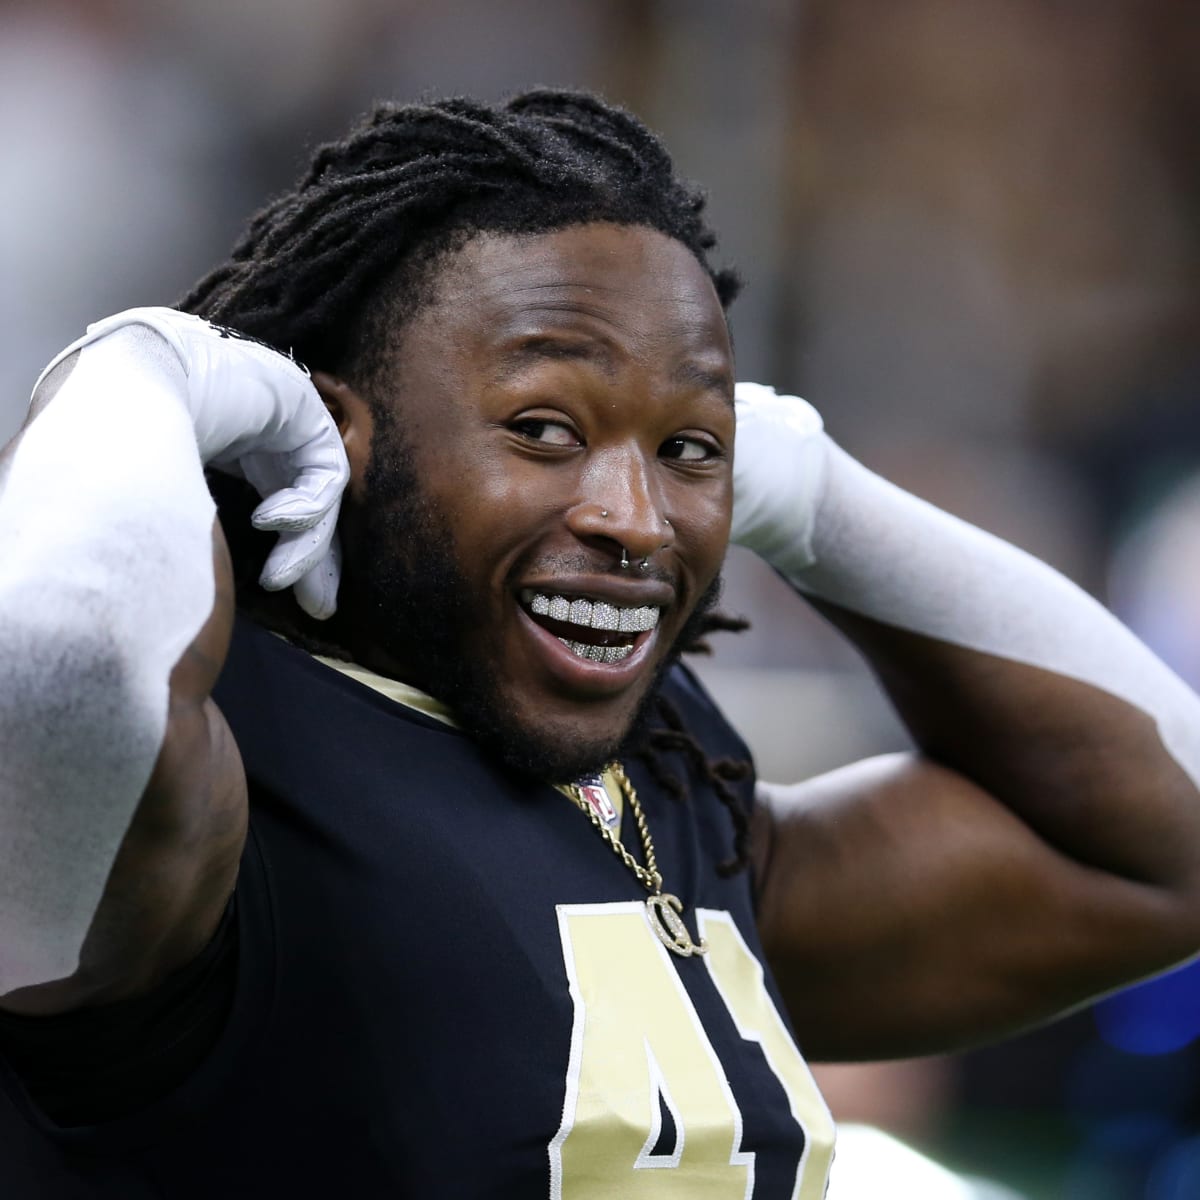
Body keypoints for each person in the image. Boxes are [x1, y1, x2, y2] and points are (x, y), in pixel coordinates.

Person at [1, 90, 1198, 1199]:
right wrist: (137, 368)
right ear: (340, 432)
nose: (634, 517)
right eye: (543, 429)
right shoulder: (230, 768)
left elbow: (1165, 848)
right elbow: (61, 656)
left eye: (688, 452)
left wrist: (811, 486)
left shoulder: (666, 789)